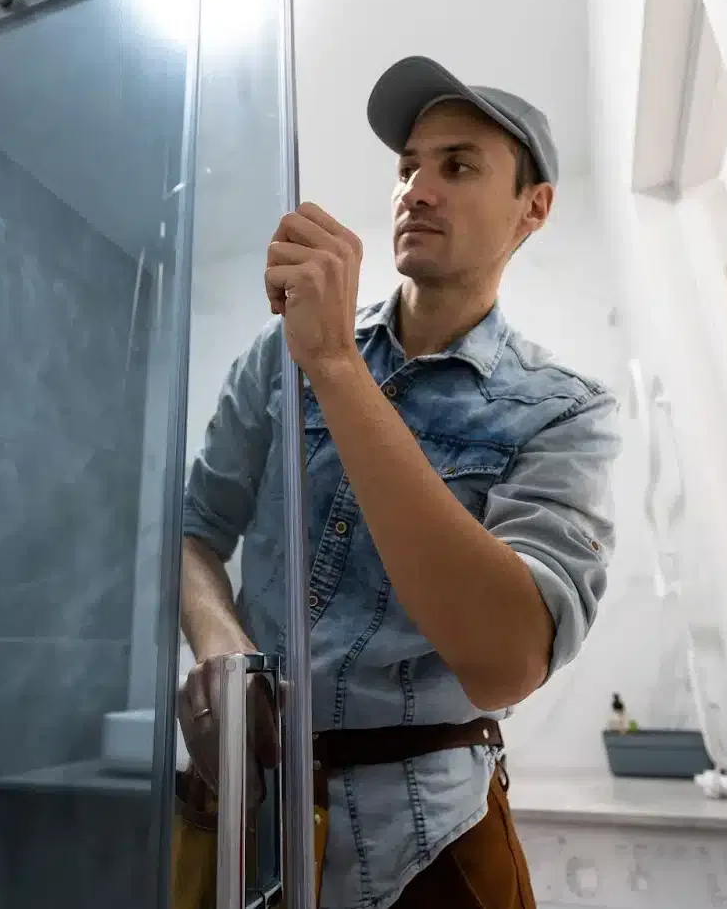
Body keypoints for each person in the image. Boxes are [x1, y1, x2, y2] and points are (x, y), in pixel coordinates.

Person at [178, 56, 621, 909]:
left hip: (429, 850)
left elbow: (503, 661)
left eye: (457, 166)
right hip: (250, 811)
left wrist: (339, 367)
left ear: (534, 208)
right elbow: (195, 530)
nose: (417, 189)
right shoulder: (279, 358)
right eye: (408, 166)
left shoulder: (564, 412)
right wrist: (219, 643)